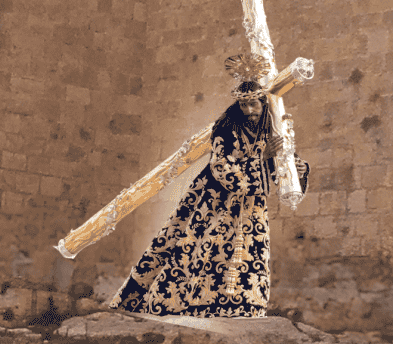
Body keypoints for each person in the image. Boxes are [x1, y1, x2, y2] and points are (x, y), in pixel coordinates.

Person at [108, 54, 309, 318]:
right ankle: (197, 305)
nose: (249, 111)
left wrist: (298, 169)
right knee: (199, 250)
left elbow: (281, 163)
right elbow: (221, 168)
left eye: (254, 105)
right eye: (244, 104)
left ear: (263, 102)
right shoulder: (225, 129)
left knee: (250, 255)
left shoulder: (272, 129)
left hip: (251, 210)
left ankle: (245, 306)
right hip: (215, 204)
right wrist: (262, 158)